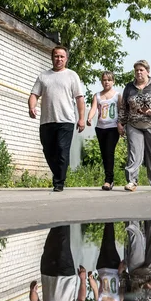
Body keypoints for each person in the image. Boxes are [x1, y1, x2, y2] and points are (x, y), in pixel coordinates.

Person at [28, 46, 86, 192]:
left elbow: (79, 98)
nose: (58, 59)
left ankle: (59, 182)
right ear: (52, 57)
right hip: (47, 120)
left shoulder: (72, 75)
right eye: (56, 56)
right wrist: (32, 107)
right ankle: (58, 174)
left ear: (66, 59)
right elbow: (34, 94)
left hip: (66, 120)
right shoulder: (43, 76)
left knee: (62, 150)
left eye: (61, 56)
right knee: (48, 150)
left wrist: (81, 118)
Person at [119, 60, 151, 192]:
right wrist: (121, 123)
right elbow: (124, 106)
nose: (138, 72)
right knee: (134, 153)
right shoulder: (129, 87)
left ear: (147, 72)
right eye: (136, 70)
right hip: (134, 125)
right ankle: (132, 181)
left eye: (141, 70)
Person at [86, 71, 122, 190]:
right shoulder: (97, 95)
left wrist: (121, 125)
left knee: (109, 152)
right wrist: (89, 118)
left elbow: (121, 111)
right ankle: (109, 178)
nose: (106, 82)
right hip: (100, 128)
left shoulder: (117, 95)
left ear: (113, 81)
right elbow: (93, 109)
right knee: (104, 154)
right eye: (104, 80)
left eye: (109, 80)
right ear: (101, 81)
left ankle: (108, 180)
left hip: (113, 128)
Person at [88, 223, 125, 301]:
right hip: (114, 268)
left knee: (104, 243)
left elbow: (95, 288)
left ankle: (108, 221)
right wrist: (121, 271)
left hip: (101, 267)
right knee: (110, 243)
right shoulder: (119, 300)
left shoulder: (99, 300)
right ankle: (110, 220)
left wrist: (91, 279)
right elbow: (123, 285)